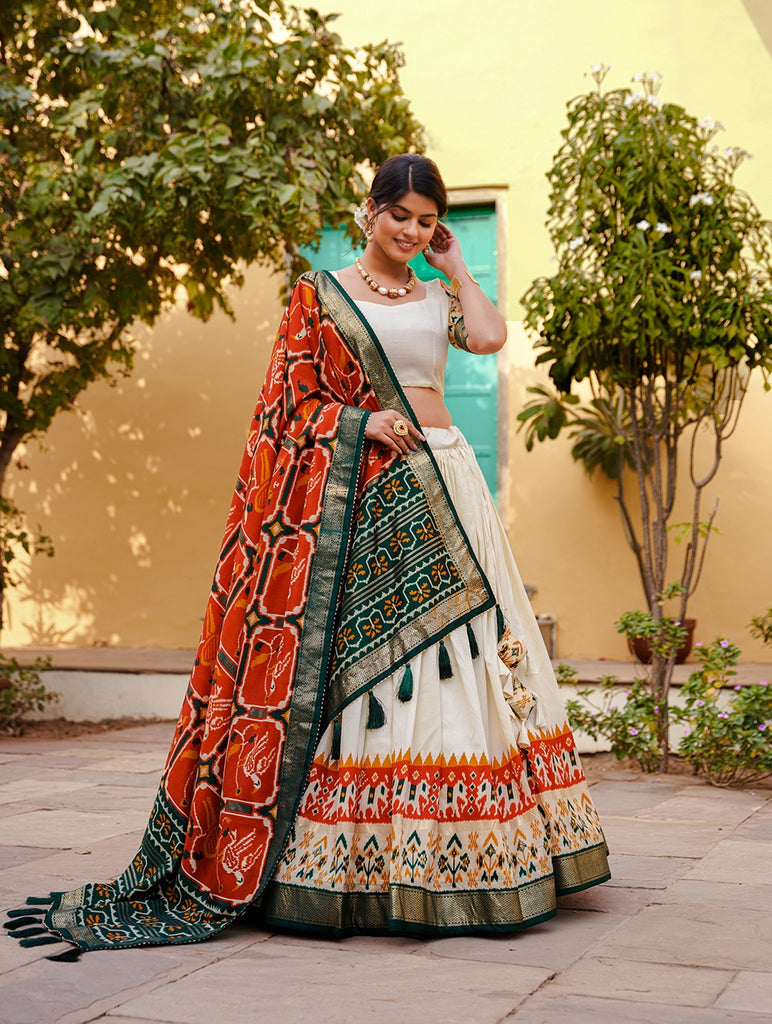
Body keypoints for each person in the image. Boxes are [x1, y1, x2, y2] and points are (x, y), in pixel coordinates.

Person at [7, 154, 609, 957]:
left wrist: (457, 264)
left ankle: (475, 856)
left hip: (448, 483)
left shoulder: (436, 294)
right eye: (403, 216)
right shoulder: (320, 296)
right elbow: (286, 408)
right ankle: (350, 866)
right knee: (374, 667)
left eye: (430, 221)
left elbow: (492, 336)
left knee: (468, 661)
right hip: (361, 492)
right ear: (371, 211)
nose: (414, 232)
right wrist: (361, 426)